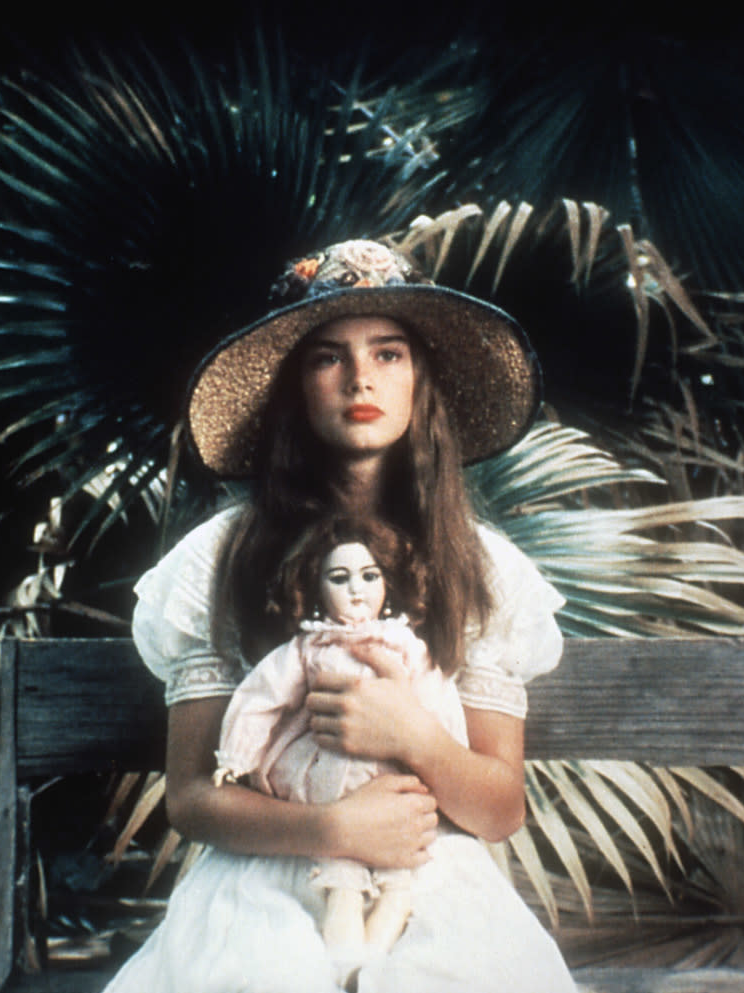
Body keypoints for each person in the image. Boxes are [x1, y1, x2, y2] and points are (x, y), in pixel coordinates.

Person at [103, 239, 577, 992]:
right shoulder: (220, 557)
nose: (361, 377)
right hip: (266, 866)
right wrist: (326, 828)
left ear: (421, 380)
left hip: (425, 866)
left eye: (388, 354)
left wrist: (411, 733)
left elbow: (496, 809)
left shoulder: (479, 565)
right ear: (294, 386)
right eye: (327, 357)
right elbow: (192, 796)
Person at [213, 514, 469, 982]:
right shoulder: (309, 649)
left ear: (388, 585)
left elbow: (438, 706)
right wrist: (236, 756)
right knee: (343, 882)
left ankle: (371, 961)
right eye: (339, 577)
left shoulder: (407, 650)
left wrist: (443, 756)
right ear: (315, 588)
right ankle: (344, 955)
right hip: (329, 779)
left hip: (394, 785)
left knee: (398, 886)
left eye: (370, 577)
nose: (356, 590)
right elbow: (261, 697)